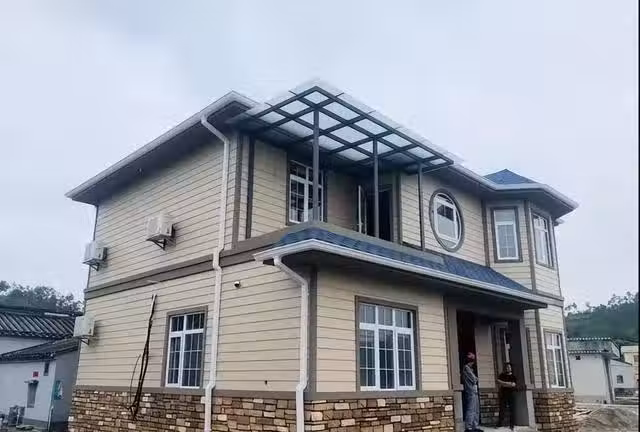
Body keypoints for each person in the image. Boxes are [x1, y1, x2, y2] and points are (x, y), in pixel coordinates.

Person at [462, 352, 483, 432]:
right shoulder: (466, 368)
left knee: (476, 409)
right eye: (472, 360)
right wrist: (475, 378)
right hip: (470, 391)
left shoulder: (471, 369)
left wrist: (476, 378)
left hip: (475, 391)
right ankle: (468, 427)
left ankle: (475, 426)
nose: (473, 363)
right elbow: (474, 379)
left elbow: (476, 379)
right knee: (471, 409)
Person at [497, 362, 517, 430]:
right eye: (507, 367)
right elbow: (498, 381)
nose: (508, 368)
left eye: (509, 367)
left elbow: (513, 385)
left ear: (511, 368)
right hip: (503, 395)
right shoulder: (502, 375)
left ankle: (511, 425)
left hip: (511, 395)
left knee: (512, 410)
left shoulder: (513, 376)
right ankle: (500, 424)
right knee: (502, 409)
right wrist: (508, 384)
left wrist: (504, 383)